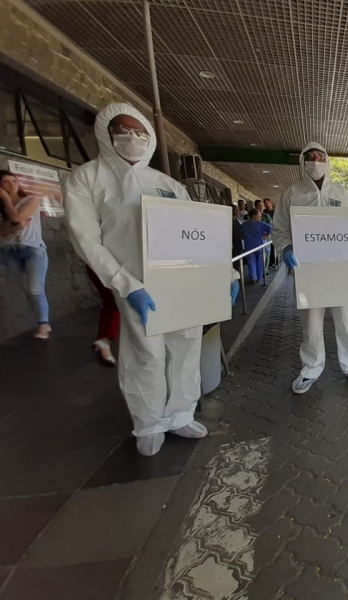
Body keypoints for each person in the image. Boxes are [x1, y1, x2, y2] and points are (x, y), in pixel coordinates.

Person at [64, 103, 240, 457]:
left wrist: (227, 273)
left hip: (181, 282)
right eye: (123, 130)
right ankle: (149, 422)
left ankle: (180, 414)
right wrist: (125, 283)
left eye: (140, 132)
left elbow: (199, 232)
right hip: (135, 285)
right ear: (106, 133)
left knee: (186, 348)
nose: (132, 138)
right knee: (146, 354)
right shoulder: (87, 178)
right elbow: (86, 239)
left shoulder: (168, 184)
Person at [272, 142, 348, 394]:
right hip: (309, 270)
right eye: (310, 156)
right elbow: (279, 228)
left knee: (346, 320)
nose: (316, 160)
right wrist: (286, 248)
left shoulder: (341, 192)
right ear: (303, 161)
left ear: (328, 160)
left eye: (320, 156)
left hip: (342, 269)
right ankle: (311, 367)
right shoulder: (291, 193)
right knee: (311, 324)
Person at [0, 171, 51, 339]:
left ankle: (43, 326)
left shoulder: (31, 200)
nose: (12, 185)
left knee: (36, 289)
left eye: (14, 181)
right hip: (9, 251)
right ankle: (43, 321)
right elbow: (4, 232)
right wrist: (16, 227)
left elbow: (18, 216)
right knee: (27, 290)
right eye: (6, 182)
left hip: (33, 250)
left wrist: (6, 200)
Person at [86, 267, 120, 366]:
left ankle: (103, 340)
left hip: (95, 265)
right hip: (109, 266)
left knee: (111, 303)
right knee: (115, 303)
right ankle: (104, 341)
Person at [241, 208, 272, 283]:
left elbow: (241, 235)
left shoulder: (244, 225)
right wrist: (266, 235)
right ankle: (259, 277)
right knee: (260, 262)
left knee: (251, 262)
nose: (260, 217)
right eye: (259, 215)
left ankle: (253, 277)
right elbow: (271, 228)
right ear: (254, 216)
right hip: (260, 245)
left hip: (249, 246)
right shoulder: (261, 224)